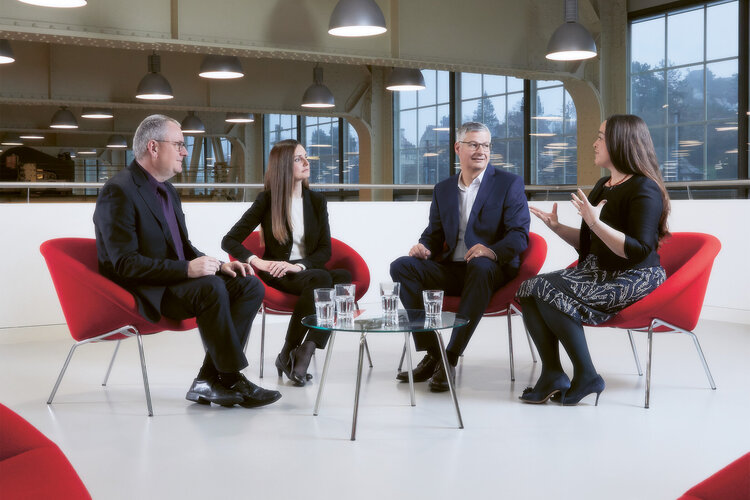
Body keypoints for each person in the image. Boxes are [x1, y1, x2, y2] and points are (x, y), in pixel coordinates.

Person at [93, 114, 281, 409]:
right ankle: (230, 379)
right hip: (147, 290)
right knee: (210, 289)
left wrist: (219, 265)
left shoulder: (167, 191)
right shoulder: (119, 191)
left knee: (248, 285)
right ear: (153, 147)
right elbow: (124, 264)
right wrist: (187, 269)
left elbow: (182, 247)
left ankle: (208, 380)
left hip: (176, 283)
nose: (185, 152)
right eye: (179, 144)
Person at [516, 114, 670, 406]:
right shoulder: (603, 185)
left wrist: (595, 222)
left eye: (601, 137)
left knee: (550, 289)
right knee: (529, 287)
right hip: (599, 271)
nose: (594, 143)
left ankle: (586, 375)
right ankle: (552, 373)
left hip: (634, 276)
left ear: (620, 142)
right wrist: (557, 227)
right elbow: (589, 245)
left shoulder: (644, 188)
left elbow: (637, 250)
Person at [390, 122, 530, 392]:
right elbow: (434, 232)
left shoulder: (508, 184)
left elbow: (519, 235)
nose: (481, 151)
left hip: (491, 269)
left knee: (479, 264)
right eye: (474, 144)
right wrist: (423, 247)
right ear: (458, 148)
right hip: (452, 269)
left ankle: (451, 357)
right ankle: (433, 353)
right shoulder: (443, 189)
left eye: (486, 145)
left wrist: (491, 251)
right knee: (402, 267)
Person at [222, 139, 351, 387]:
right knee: (323, 280)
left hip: (305, 271)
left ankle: (305, 348)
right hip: (277, 273)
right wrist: (257, 261)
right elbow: (229, 240)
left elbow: (325, 250)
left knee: (343, 278)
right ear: (283, 166)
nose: (306, 162)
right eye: (297, 159)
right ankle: (291, 350)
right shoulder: (267, 200)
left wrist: (300, 265)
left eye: (306, 156)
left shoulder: (316, 201)